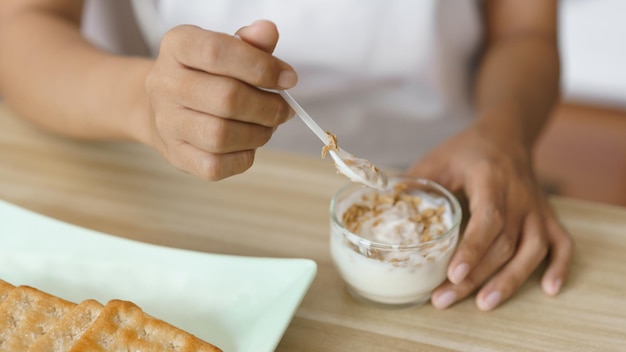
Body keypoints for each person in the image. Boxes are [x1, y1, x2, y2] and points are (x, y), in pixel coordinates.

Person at [0, 0, 573, 311]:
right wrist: (142, 103)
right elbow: (21, 26)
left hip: (453, 171)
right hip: (189, 189)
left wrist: (504, 132)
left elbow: (525, 28)